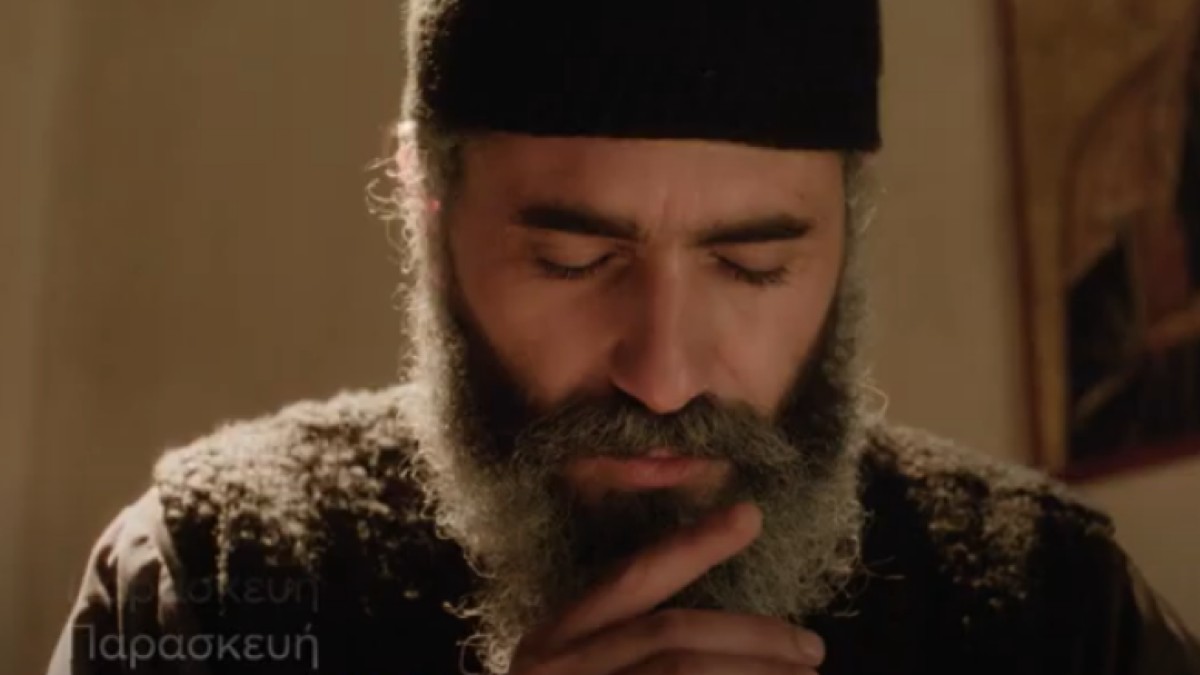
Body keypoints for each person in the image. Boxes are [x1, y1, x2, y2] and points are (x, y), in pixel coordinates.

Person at [48, 0, 1200, 673]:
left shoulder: (1054, 608)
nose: (663, 374)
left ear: (847, 236)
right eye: (572, 260)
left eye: (753, 265)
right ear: (425, 214)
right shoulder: (218, 582)